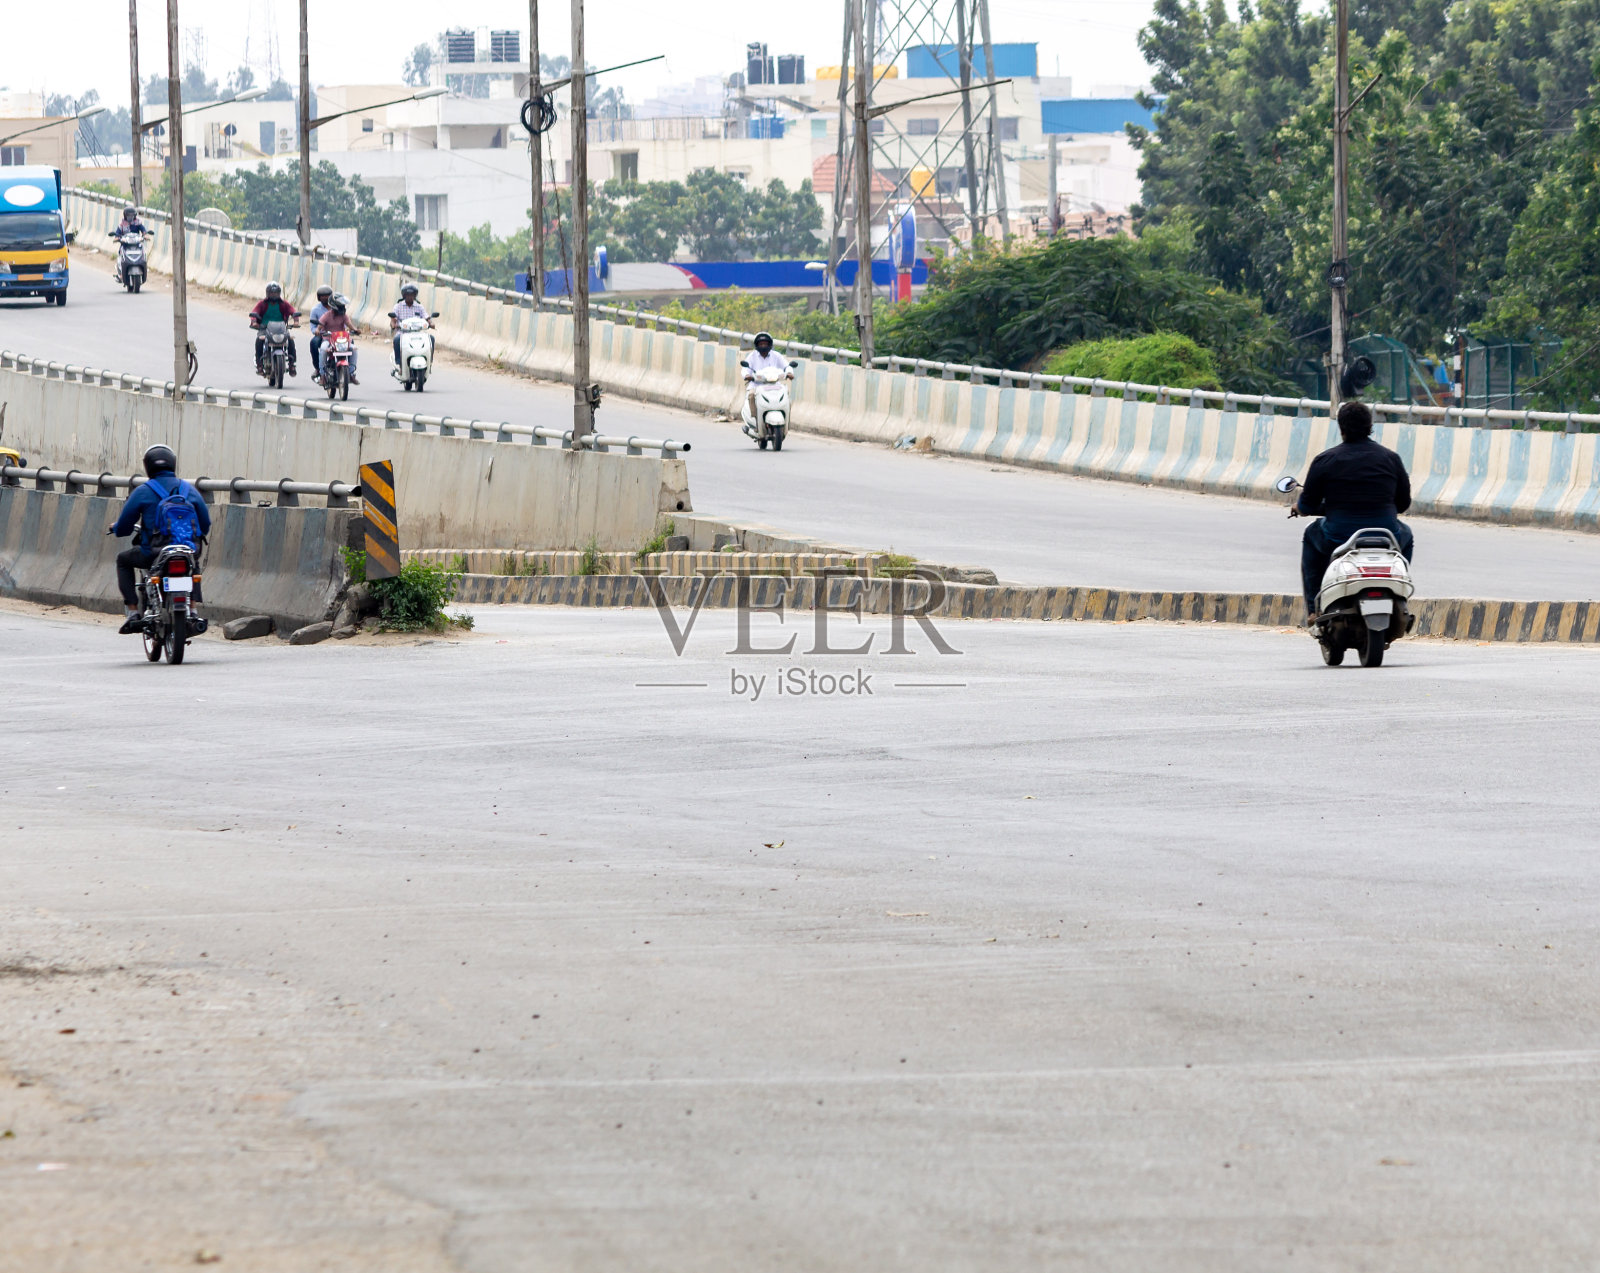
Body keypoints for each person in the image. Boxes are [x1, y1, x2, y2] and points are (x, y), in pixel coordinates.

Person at [1296, 400, 1414, 620]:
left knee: (1311, 535)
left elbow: (1307, 506)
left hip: (1336, 537)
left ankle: (1314, 608)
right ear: (1370, 426)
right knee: (1407, 535)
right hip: (1386, 535)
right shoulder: (1391, 459)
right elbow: (1404, 503)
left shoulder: (1325, 460)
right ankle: (1401, 596)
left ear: (1341, 428)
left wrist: (1298, 507)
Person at [108, 444, 212, 635]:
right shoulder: (189, 490)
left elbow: (124, 527)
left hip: (153, 553)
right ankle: (193, 608)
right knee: (192, 564)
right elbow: (205, 525)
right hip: (187, 550)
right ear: (173, 464)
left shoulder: (142, 491)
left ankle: (132, 612)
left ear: (148, 466)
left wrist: (116, 528)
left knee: (123, 560)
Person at [742, 331, 791, 433]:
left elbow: (786, 366)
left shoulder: (776, 356)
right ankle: (755, 422)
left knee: (787, 395)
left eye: (765, 343)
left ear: (770, 345)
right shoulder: (752, 357)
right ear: (757, 345)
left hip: (774, 385)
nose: (763, 346)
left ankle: (786, 422)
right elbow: (745, 369)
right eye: (761, 344)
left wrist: (789, 373)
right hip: (756, 385)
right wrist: (747, 375)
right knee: (751, 396)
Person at [248, 281, 300, 377]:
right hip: (265, 328)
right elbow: (254, 312)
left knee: (290, 340)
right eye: (272, 293)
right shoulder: (262, 304)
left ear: (279, 293)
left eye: (275, 293)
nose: (274, 295)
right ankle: (259, 365)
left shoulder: (283, 303)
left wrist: (296, 321)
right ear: (267, 293)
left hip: (281, 329)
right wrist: (254, 322)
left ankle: (292, 364)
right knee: (259, 341)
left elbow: (292, 311)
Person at [315, 294, 360, 384]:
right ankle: (322, 375)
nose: (343, 307)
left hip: (342, 341)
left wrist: (355, 330)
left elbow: (349, 325)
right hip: (329, 340)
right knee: (323, 349)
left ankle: (351, 373)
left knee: (354, 349)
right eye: (341, 305)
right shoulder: (326, 315)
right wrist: (318, 330)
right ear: (334, 305)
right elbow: (319, 326)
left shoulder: (344, 315)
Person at [388, 282, 433, 374]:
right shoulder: (398, 306)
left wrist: (431, 323)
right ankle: (399, 364)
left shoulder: (419, 306)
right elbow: (393, 319)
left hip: (418, 333)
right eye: (408, 295)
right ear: (404, 295)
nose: (410, 297)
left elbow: (426, 317)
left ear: (415, 295)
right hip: (403, 333)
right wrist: (393, 324)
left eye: (412, 295)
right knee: (396, 340)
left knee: (431, 338)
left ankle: (430, 362)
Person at [110, 206, 147, 284]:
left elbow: (143, 230)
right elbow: (117, 233)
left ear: (135, 215)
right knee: (120, 253)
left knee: (143, 251)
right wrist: (117, 238)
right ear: (125, 215)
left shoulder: (138, 222)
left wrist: (145, 235)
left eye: (132, 215)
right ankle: (120, 273)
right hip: (125, 245)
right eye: (128, 215)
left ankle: (144, 267)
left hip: (136, 244)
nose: (130, 217)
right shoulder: (122, 224)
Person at [307, 284, 334, 383]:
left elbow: (343, 321)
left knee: (350, 343)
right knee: (313, 343)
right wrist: (317, 331)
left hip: (336, 335)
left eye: (327, 295)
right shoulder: (315, 310)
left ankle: (349, 371)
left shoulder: (336, 307)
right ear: (319, 297)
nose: (325, 298)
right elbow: (313, 327)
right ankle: (318, 368)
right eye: (323, 296)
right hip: (322, 335)